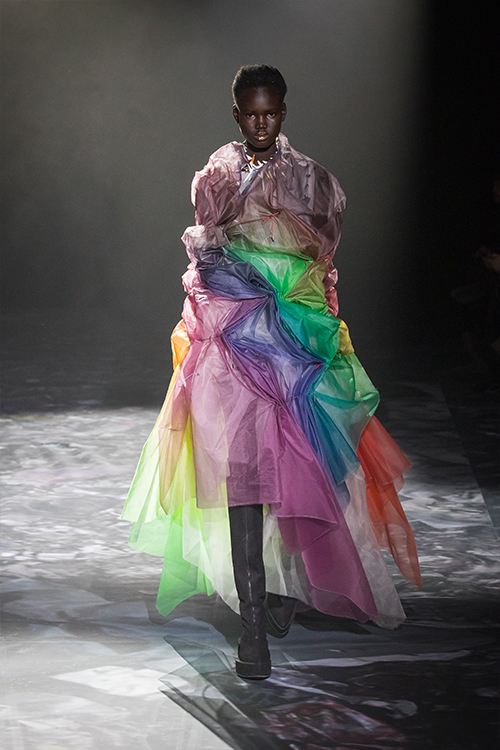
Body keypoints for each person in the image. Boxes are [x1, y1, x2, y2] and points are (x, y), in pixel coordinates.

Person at [122, 65, 422, 680]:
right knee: (242, 478)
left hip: (289, 346)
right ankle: (254, 625)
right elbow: (206, 251)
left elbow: (322, 259)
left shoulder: (312, 181)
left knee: (294, 473)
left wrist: (315, 320)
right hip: (233, 343)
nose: (261, 123)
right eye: (251, 113)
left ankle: (281, 590)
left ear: (284, 111)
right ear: (237, 114)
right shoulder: (217, 175)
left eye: (271, 112)